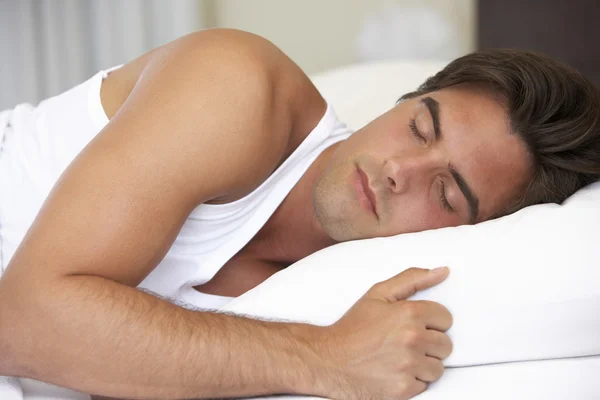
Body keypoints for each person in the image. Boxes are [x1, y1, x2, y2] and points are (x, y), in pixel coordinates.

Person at [0, 28, 598, 400]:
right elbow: (22, 322)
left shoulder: (331, 294)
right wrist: (322, 358)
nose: (400, 169)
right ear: (406, 98)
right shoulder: (238, 87)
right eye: (420, 127)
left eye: (445, 193)